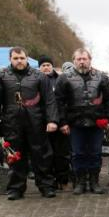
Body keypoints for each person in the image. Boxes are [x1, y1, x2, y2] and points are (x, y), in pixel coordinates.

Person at [0, 47, 58, 199]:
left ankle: (46, 186)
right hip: (11, 123)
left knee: (41, 156)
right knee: (15, 156)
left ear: (27, 58)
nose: (19, 61)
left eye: (22, 58)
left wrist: (52, 120)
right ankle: (16, 188)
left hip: (36, 122)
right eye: (16, 58)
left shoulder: (39, 76)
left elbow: (49, 100)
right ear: (10, 59)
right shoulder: (2, 76)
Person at [54, 48, 109, 195]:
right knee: (77, 153)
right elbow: (59, 102)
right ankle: (80, 182)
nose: (82, 62)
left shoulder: (101, 77)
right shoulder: (64, 78)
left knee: (95, 153)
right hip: (75, 123)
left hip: (96, 122)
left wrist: (107, 119)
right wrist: (62, 123)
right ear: (74, 60)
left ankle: (94, 182)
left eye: (84, 59)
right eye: (79, 59)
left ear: (90, 60)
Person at [39, 55, 72, 190]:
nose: (46, 67)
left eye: (48, 64)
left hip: (60, 122)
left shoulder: (60, 80)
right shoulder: (35, 80)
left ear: (52, 66)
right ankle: (49, 181)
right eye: (43, 65)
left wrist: (63, 122)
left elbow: (65, 102)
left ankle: (63, 180)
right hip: (42, 123)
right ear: (39, 67)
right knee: (46, 155)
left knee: (62, 154)